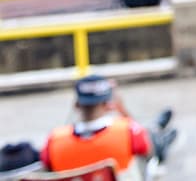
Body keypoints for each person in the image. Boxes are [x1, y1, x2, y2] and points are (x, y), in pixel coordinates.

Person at [40, 75, 173, 181]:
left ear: (76, 105)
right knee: (152, 139)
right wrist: (122, 109)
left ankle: (158, 126)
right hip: (141, 139)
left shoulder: (54, 139)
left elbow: (46, 167)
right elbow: (149, 152)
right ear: (110, 104)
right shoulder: (126, 130)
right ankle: (158, 128)